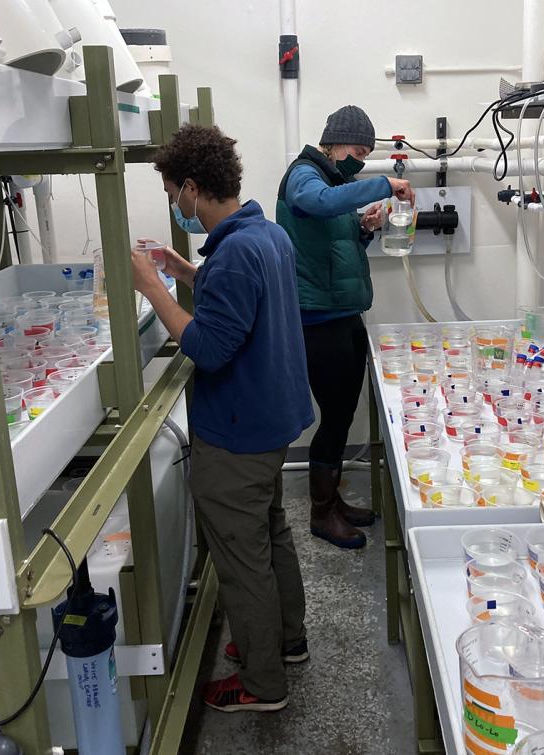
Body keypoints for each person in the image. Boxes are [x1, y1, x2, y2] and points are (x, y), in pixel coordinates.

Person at [131, 124, 313, 713]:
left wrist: (154, 288)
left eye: (171, 193)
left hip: (236, 434)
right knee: (268, 533)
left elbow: (208, 346)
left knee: (242, 559)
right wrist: (182, 269)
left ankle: (263, 685)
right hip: (272, 420)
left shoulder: (235, 252)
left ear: (189, 188)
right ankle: (285, 641)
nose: (175, 205)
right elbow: (236, 298)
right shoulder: (263, 234)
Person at [276, 105, 414, 550]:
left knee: (343, 412)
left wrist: (363, 228)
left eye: (366, 154)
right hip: (318, 317)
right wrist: (382, 184)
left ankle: (332, 502)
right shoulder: (304, 175)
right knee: (335, 414)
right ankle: (321, 513)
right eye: (357, 150)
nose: (359, 159)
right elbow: (311, 203)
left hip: (343, 312)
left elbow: (330, 240)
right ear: (333, 142)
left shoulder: (336, 182)